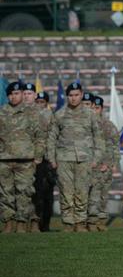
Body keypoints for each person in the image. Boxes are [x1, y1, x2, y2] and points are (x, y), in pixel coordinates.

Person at [47, 82, 103, 232]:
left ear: (82, 94)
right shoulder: (59, 114)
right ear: (67, 96)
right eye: (71, 95)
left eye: (76, 95)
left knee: (82, 192)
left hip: (85, 159)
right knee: (66, 192)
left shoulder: (90, 114)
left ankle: (80, 222)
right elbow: (52, 138)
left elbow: (99, 137)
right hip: (64, 159)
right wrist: (52, 159)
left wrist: (96, 159)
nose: (73, 98)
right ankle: (68, 223)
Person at [0, 81, 44, 233]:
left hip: (26, 159)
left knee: (24, 193)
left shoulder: (32, 112)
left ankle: (21, 222)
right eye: (11, 94)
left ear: (22, 94)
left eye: (17, 93)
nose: (14, 96)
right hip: (4, 159)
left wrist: (38, 156)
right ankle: (8, 222)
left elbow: (39, 136)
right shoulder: (2, 112)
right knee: (6, 193)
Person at [87, 95, 119, 232]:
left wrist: (111, 164)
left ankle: (101, 221)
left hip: (105, 167)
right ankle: (90, 222)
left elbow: (114, 147)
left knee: (102, 196)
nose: (95, 111)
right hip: (90, 165)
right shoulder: (86, 125)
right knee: (89, 196)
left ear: (102, 109)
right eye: (92, 108)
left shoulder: (108, 126)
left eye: (97, 108)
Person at [33, 91, 56, 232]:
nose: (40, 105)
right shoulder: (30, 116)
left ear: (47, 103)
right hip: (34, 159)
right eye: (38, 102)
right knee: (34, 194)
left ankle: (45, 223)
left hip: (47, 161)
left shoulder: (52, 117)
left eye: (42, 102)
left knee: (46, 194)